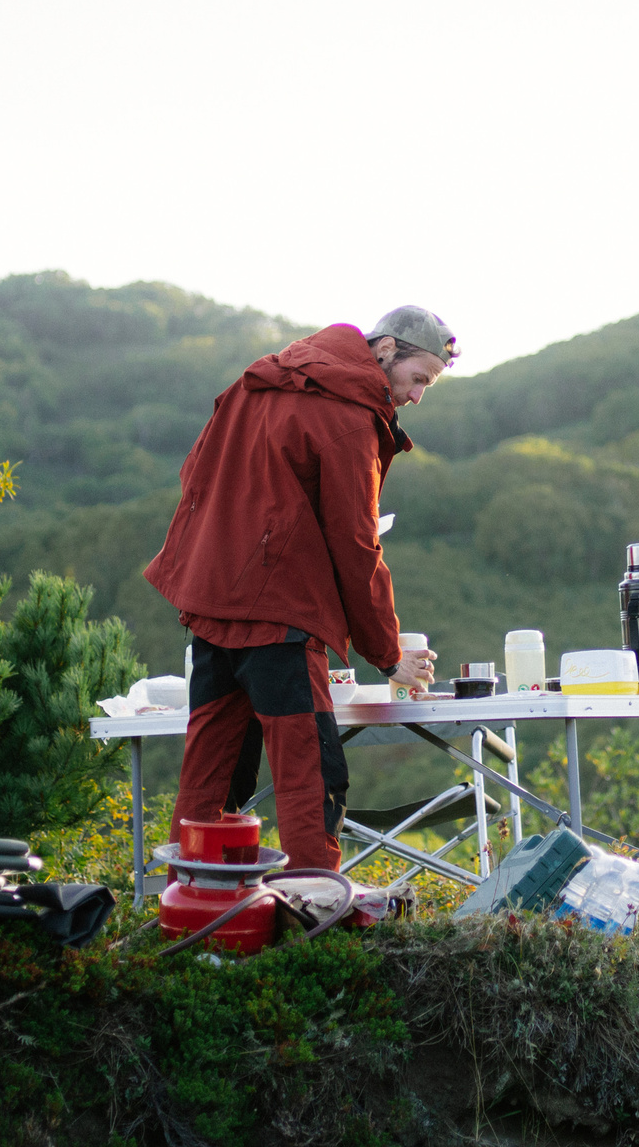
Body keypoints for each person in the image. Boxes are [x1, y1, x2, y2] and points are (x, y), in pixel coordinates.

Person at [142, 306, 454, 870]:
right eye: (419, 379)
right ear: (386, 350)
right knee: (309, 775)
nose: (416, 397)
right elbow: (356, 544)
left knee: (209, 778)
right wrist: (388, 655)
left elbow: (196, 475)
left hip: (213, 603)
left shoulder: (258, 380)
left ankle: (188, 899)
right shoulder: (348, 416)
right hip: (280, 619)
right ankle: (317, 906)